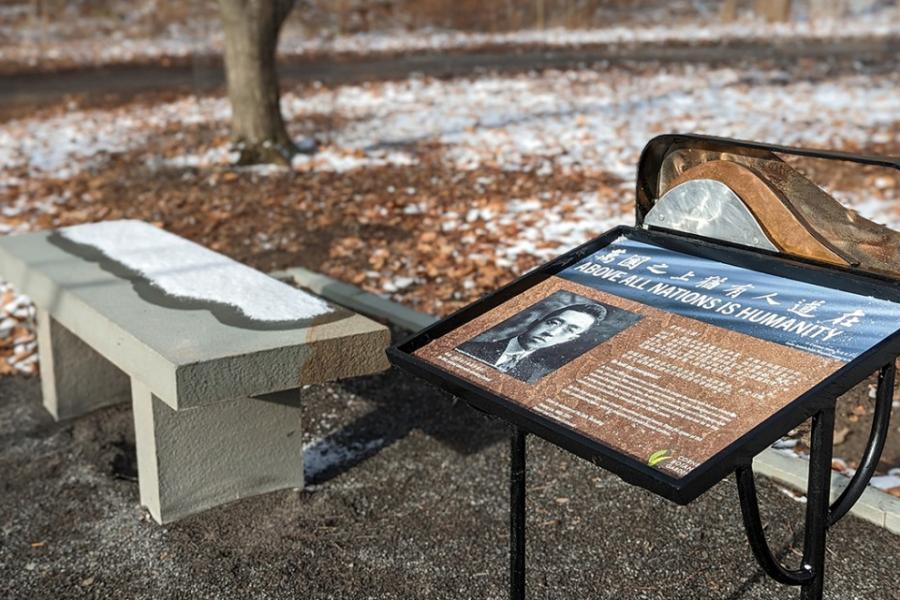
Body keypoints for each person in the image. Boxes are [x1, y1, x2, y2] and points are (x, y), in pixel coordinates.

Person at [458, 303, 607, 384]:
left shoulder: (534, 377)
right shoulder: (469, 348)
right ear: (538, 321)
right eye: (553, 323)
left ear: (570, 339)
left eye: (569, 330)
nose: (552, 333)